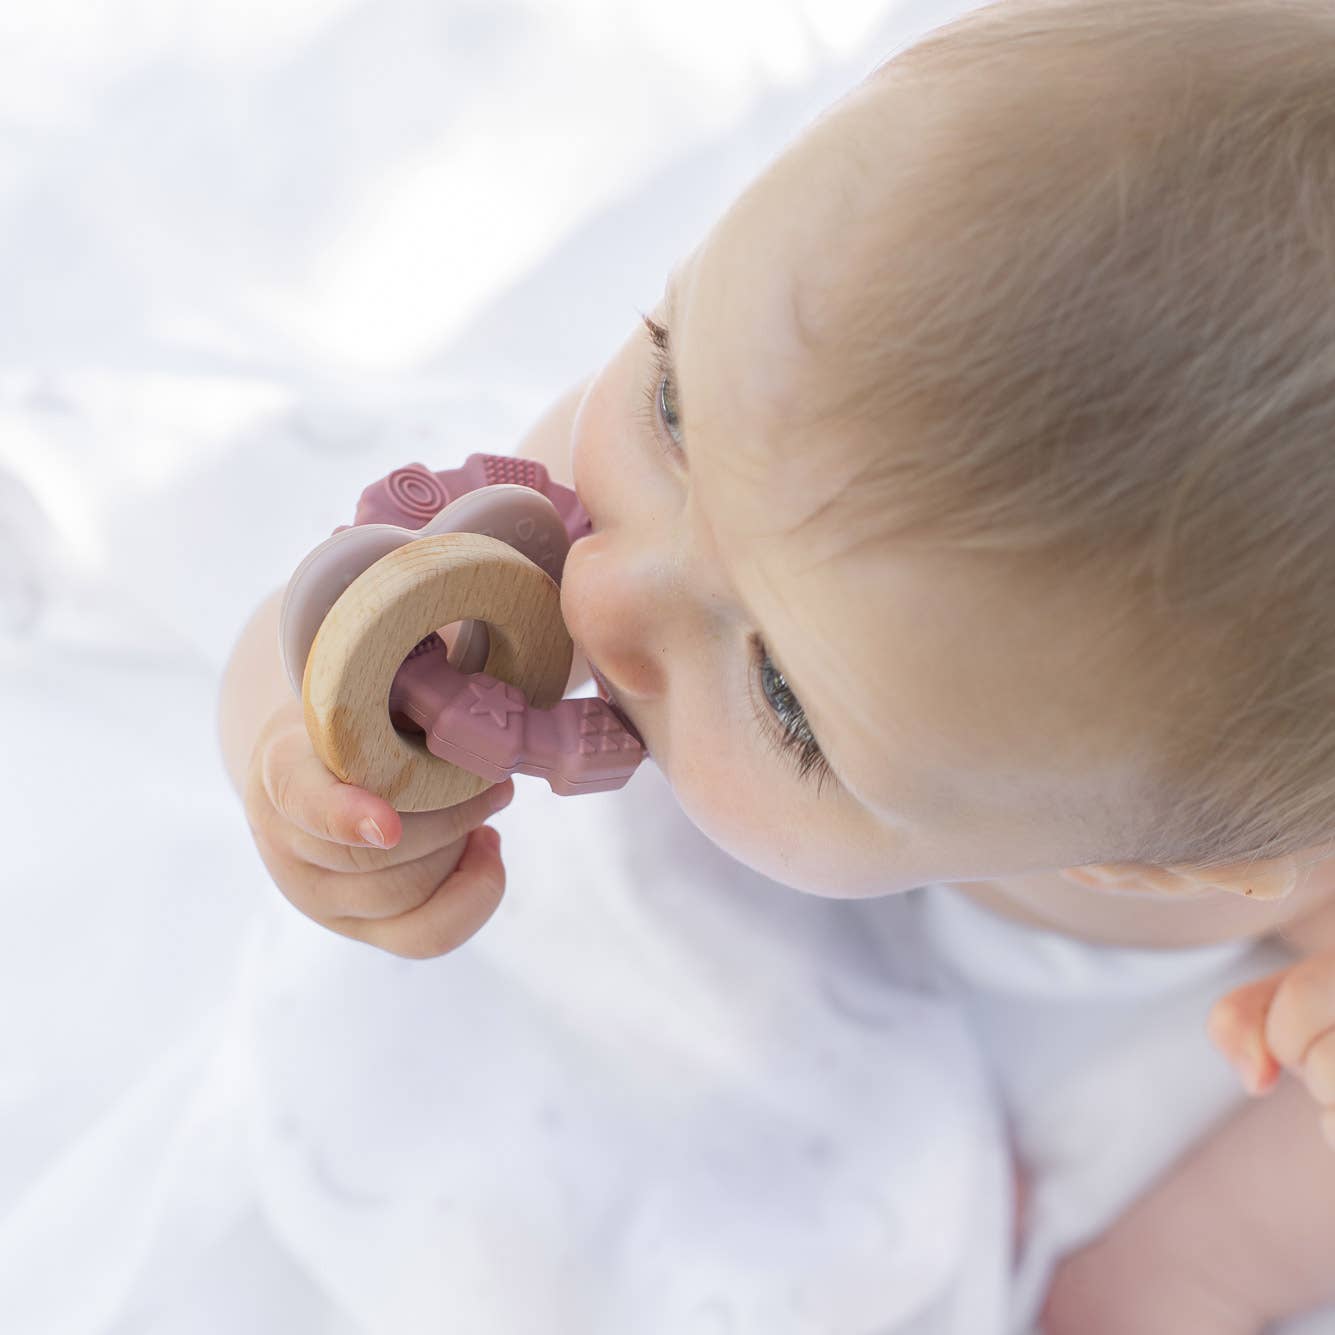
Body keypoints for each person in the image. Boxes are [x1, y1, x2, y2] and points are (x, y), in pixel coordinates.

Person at [217, 1, 1335, 1328]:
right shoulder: (714, 442)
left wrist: (1172, 1276)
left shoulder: (1289, 838)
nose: (598, 593)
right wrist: (305, 766)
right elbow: (350, 623)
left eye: (785, 691)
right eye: (673, 405)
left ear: (1159, 865)